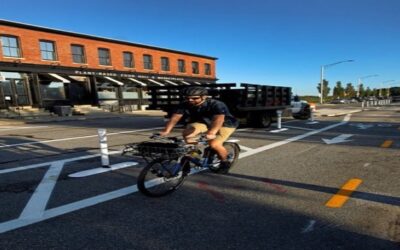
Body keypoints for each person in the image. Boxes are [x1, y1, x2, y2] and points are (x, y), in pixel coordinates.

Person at [159, 86, 239, 172]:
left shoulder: (216, 104)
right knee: (187, 134)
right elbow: (175, 118)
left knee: (214, 144)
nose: (190, 100)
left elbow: (218, 119)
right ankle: (194, 154)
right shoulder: (184, 104)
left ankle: (225, 162)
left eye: (194, 98)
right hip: (204, 122)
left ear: (204, 97)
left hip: (226, 123)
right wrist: (166, 131)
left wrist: (212, 133)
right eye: (187, 98)